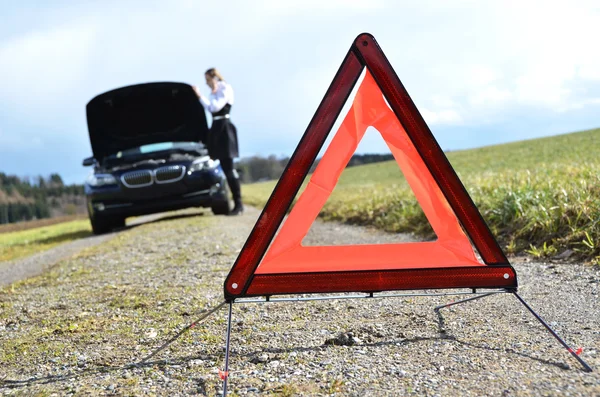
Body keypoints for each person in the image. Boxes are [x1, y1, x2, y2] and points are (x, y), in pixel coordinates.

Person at [192, 68, 243, 215]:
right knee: (224, 167)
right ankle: (233, 202)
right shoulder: (213, 92)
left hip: (225, 129)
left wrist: (201, 95)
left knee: (229, 168)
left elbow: (215, 107)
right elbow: (209, 108)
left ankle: (238, 204)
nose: (207, 83)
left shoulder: (225, 88)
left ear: (214, 78)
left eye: (208, 80)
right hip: (216, 129)